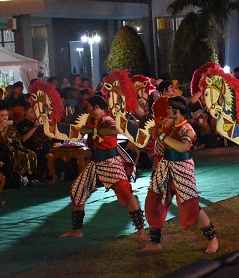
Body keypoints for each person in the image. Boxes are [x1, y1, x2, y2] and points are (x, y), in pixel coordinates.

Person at [59, 95, 146, 241]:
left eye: (91, 107)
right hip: (94, 163)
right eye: (88, 108)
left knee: (126, 193)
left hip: (110, 162)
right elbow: (75, 126)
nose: (89, 110)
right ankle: (76, 230)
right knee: (77, 191)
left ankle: (141, 231)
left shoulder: (107, 120)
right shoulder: (90, 119)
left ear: (98, 107)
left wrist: (92, 131)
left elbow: (114, 132)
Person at [142, 96, 218, 253]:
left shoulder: (187, 129)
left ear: (178, 110)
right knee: (153, 202)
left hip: (182, 169)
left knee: (191, 206)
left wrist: (163, 137)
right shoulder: (169, 123)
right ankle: (155, 243)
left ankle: (213, 240)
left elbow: (183, 147)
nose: (168, 111)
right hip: (165, 168)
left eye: (170, 108)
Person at [0, 102, 37, 187]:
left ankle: (30, 178)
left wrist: (12, 141)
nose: (5, 117)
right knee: (20, 155)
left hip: (13, 146)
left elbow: (18, 139)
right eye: (2, 115)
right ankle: (19, 178)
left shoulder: (11, 127)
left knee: (31, 154)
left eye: (6, 115)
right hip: (3, 150)